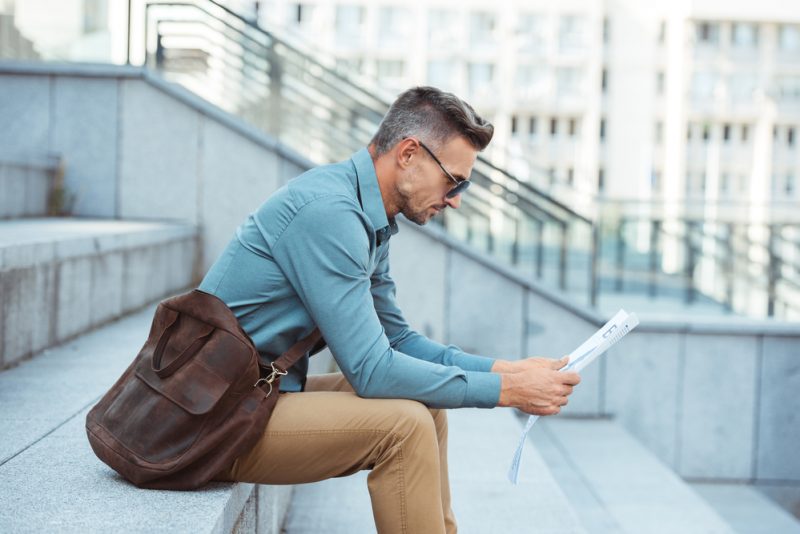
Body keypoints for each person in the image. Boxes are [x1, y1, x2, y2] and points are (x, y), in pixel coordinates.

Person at [206, 86, 581, 533]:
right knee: (403, 425)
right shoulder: (330, 213)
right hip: (208, 420)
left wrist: (508, 370)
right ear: (408, 154)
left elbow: (399, 341)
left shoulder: (367, 215)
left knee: (427, 405)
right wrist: (505, 392)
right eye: (454, 181)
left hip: (254, 396)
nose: (457, 198)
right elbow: (372, 370)